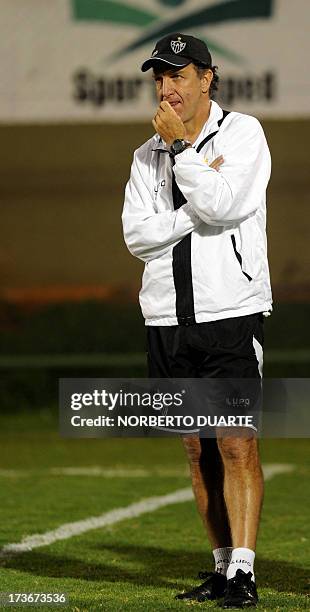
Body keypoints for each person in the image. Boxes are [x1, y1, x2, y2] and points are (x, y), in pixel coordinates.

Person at [122, 32, 272, 609]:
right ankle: (218, 567)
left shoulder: (244, 134)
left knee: (236, 444)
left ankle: (244, 571)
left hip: (229, 314)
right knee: (196, 448)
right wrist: (191, 210)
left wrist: (185, 156)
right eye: (159, 77)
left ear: (207, 78)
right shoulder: (144, 154)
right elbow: (137, 237)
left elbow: (227, 206)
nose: (167, 88)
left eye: (178, 75)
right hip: (166, 318)